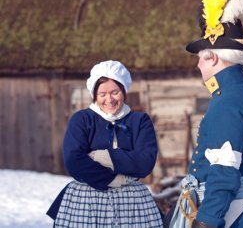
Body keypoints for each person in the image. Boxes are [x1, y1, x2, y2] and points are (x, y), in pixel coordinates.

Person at [166, 0, 243, 228]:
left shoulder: (228, 103)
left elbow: (224, 172)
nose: (198, 64)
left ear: (213, 58)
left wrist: (206, 221)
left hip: (232, 216)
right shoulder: (242, 94)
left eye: (201, 57)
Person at [47, 60, 163, 227]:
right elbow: (74, 161)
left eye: (115, 92)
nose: (109, 100)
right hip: (86, 201)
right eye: (102, 94)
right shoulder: (82, 119)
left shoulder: (139, 121)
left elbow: (145, 162)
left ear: (124, 90)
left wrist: (105, 157)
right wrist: (113, 179)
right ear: (94, 95)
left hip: (132, 202)